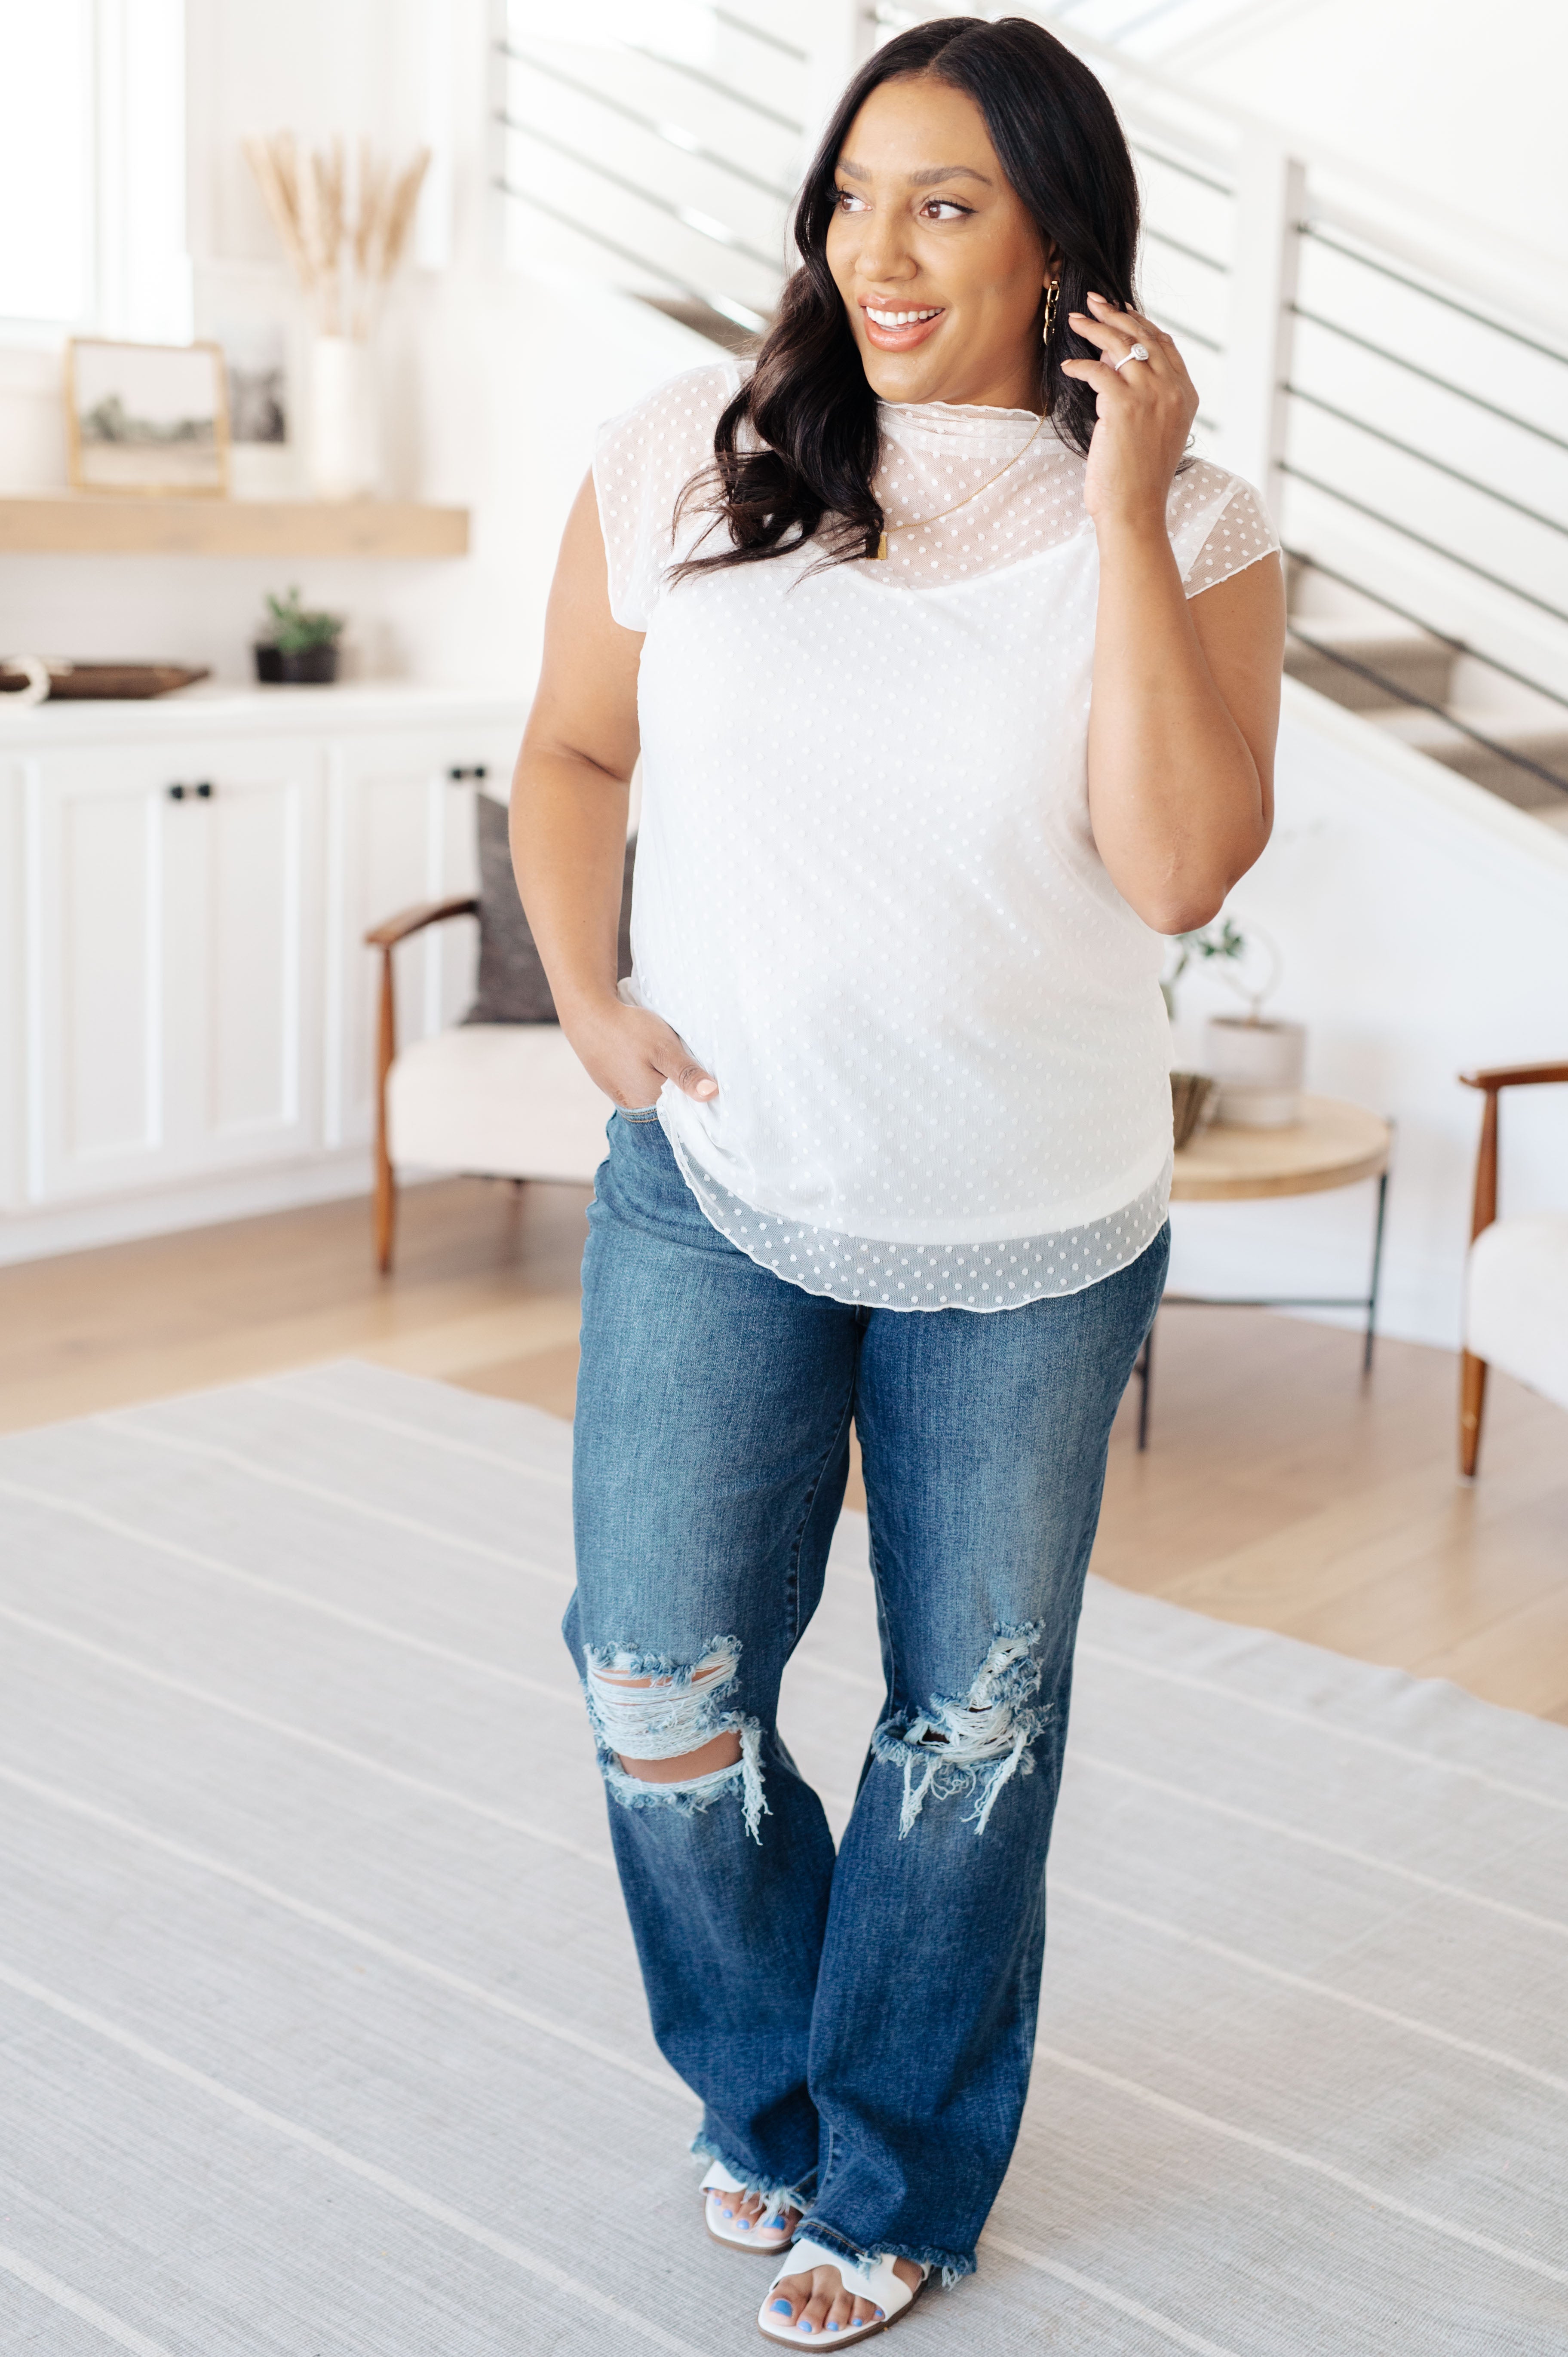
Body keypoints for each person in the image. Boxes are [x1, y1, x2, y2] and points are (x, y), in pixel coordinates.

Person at [510, 14, 1283, 2344]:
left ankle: (901, 2165)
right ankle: (766, 2096)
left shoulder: (1201, 526)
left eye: (942, 201)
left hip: (1031, 1223)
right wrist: (580, 987)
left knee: (972, 1718)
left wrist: (1129, 512)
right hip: (718, 1167)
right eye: (853, 199)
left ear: (1063, 238)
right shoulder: (691, 452)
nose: (876, 249)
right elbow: (567, 741)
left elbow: (1173, 870)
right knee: (660, 1679)